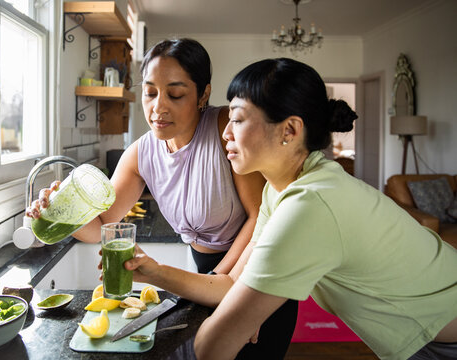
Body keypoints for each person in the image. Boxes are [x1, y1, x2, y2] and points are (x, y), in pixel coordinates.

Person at [29, 39, 298, 358]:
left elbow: (259, 217)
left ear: (203, 94)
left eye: (175, 93)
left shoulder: (227, 128)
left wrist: (228, 288)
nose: (158, 107)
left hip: (256, 269)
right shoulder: (141, 154)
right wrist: (59, 211)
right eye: (150, 92)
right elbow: (102, 225)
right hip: (208, 277)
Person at [191, 58, 457, 360]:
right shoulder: (280, 190)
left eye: (237, 119)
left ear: (289, 130)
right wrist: (153, 272)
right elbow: (235, 282)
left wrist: (236, 319)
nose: (226, 132)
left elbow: (211, 347)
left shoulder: (309, 204)